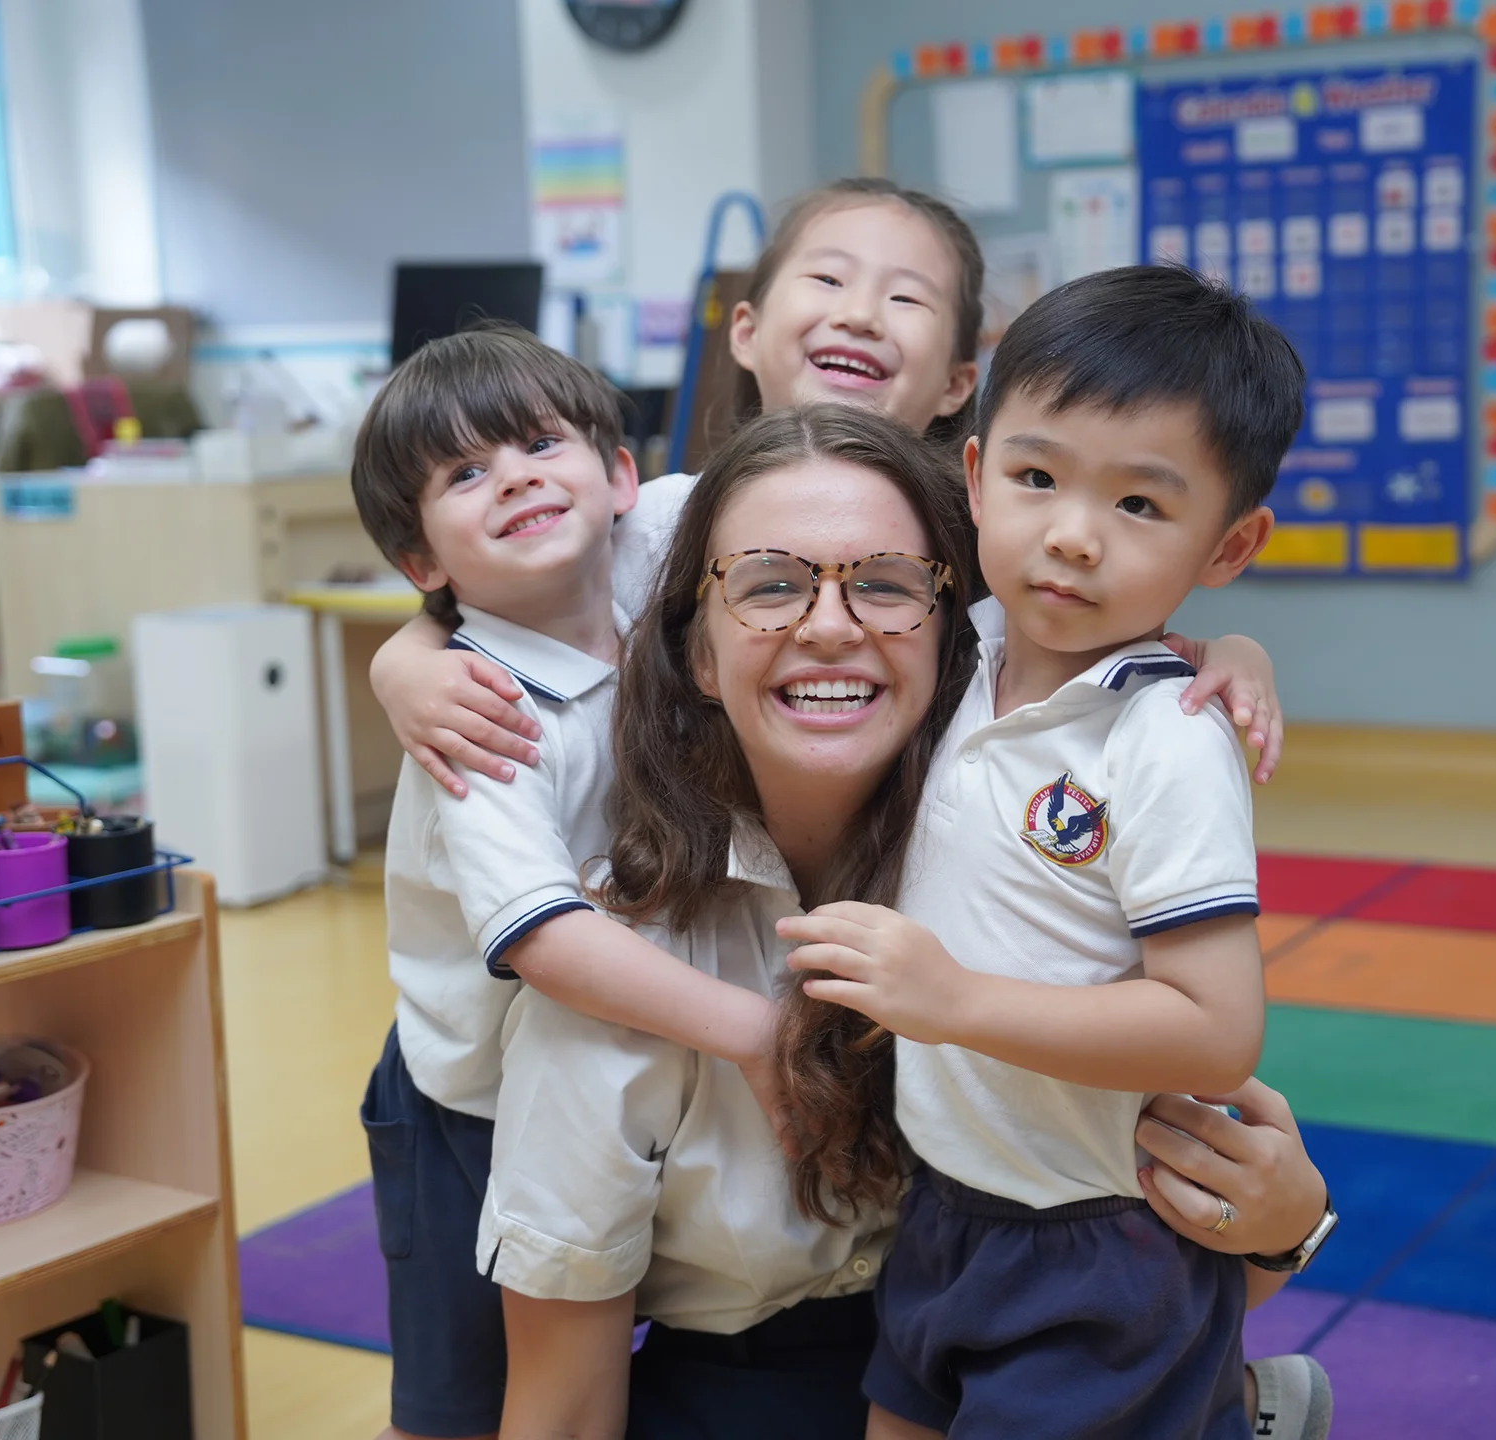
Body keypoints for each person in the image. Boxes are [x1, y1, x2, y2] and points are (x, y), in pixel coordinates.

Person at [479, 405, 1333, 1440]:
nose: (830, 626)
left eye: (884, 584)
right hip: (757, 1385)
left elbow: (1116, 1285)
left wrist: (1280, 1233)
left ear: (958, 637)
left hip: (1008, 1348)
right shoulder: (619, 973)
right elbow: (560, 1406)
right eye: (769, 585)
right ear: (698, 655)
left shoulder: (1009, 880)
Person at [778, 266, 1319, 1439]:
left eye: (1140, 507)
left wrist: (954, 998)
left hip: (1096, 1244)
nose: (1071, 537)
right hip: (948, 1208)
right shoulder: (951, 649)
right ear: (974, 478)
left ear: (1228, 545)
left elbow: (1217, 1030)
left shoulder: (1168, 739)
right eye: (1036, 477)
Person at [367, 178, 1284, 796]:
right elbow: (500, 588)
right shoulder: (663, 518)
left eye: (907, 298)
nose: (857, 311)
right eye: (829, 278)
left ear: (960, 384)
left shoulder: (988, 543)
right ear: (746, 331)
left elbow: (1094, 646)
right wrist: (406, 661)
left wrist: (1226, 653)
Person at [351, 324, 797, 1440]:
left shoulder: (657, 553)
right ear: (424, 567)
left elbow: (824, 492)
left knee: (630, 1326)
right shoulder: (482, 715)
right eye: (464, 475)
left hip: (618, 1061)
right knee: (460, 1400)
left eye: (539, 444)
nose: (513, 477)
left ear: (621, 480)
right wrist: (754, 1032)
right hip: (472, 1098)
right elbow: (545, 938)